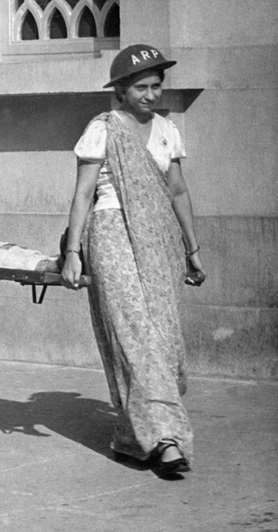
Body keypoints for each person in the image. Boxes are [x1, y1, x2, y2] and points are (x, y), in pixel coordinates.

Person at [60, 45, 206, 477]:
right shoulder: (102, 129)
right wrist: (73, 252)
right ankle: (166, 439)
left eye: (156, 86)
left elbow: (178, 192)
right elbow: (83, 194)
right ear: (120, 91)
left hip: (159, 238)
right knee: (133, 334)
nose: (149, 94)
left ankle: (132, 435)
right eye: (140, 87)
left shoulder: (166, 130)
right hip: (111, 234)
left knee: (161, 337)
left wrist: (192, 248)